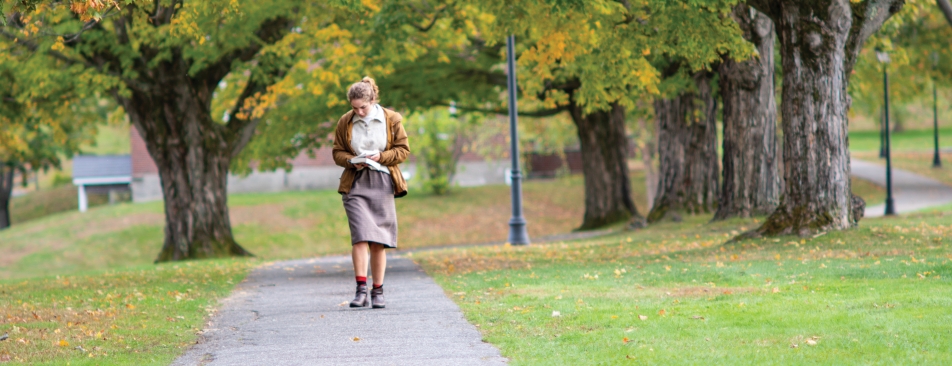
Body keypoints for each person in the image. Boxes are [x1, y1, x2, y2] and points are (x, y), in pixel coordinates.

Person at [332, 76, 409, 309]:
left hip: (382, 181)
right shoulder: (345, 121)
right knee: (360, 236)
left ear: (372, 99)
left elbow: (403, 150)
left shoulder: (391, 119)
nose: (359, 112)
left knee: (378, 241)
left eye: (363, 107)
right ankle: (361, 290)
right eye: (354, 108)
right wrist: (351, 161)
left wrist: (381, 157)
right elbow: (337, 153)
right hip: (355, 183)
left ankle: (378, 291)